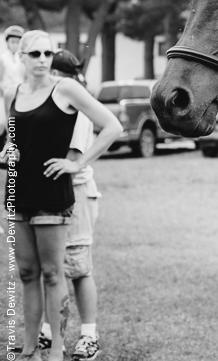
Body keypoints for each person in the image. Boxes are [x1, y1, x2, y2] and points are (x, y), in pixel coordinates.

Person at [1, 32, 122, 361]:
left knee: (54, 274)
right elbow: (11, 139)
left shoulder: (65, 88)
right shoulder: (11, 92)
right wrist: (8, 150)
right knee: (26, 274)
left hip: (53, 195)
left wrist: (78, 162)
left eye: (47, 53)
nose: (42, 59)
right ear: (21, 57)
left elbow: (112, 126)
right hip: (16, 194)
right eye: (35, 53)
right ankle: (28, 349)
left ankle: (56, 350)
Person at [34, 51, 104, 361]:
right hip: (48, 194)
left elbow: (71, 159)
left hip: (74, 193)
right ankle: (49, 330)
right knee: (52, 268)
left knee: (77, 268)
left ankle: (89, 335)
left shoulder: (73, 105)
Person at [1, 24, 26, 91]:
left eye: (17, 42)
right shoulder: (3, 58)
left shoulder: (23, 58)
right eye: (12, 42)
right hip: (5, 93)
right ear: (7, 42)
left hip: (20, 92)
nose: (15, 45)